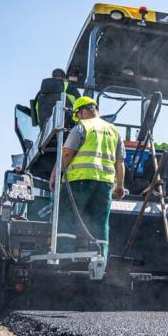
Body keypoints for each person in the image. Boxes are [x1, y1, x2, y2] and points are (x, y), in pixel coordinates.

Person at [49, 96, 125, 258]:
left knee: (67, 217)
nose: (78, 119)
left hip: (80, 180)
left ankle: (64, 256)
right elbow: (120, 162)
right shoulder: (114, 131)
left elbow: (67, 153)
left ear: (83, 111)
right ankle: (99, 259)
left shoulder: (82, 127)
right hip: (104, 184)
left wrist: (55, 174)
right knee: (100, 222)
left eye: (78, 115)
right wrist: (120, 186)